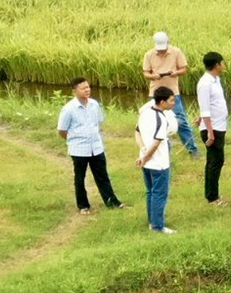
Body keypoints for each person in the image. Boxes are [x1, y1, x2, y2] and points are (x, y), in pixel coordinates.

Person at [57, 77, 123, 213]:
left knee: (102, 176)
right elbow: (62, 130)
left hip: (96, 147)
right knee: (80, 178)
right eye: (83, 88)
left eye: (88, 87)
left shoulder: (94, 104)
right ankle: (83, 206)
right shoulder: (69, 109)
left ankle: (111, 201)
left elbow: (98, 122)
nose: (87, 90)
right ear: (75, 91)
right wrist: (73, 140)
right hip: (79, 149)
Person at [142, 32, 199, 158]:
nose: (162, 51)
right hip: (155, 93)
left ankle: (192, 149)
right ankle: (160, 150)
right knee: (156, 122)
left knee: (181, 121)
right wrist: (153, 76)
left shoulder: (176, 52)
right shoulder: (149, 54)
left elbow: (184, 69)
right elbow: (146, 73)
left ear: (168, 42)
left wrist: (175, 72)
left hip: (173, 92)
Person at [136, 86, 179, 233]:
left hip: (146, 161)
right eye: (171, 101)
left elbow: (137, 133)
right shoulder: (161, 118)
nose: (173, 103)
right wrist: (147, 156)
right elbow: (156, 142)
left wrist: (142, 153)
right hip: (158, 164)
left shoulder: (145, 112)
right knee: (159, 194)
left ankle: (152, 221)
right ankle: (157, 226)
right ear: (162, 102)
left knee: (150, 192)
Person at [197, 52, 231, 205]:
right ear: (217, 65)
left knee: (217, 160)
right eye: (222, 63)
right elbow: (205, 107)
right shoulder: (205, 83)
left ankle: (212, 194)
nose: (223, 65)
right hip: (213, 128)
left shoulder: (216, 80)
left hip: (219, 125)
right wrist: (209, 131)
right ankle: (212, 197)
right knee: (215, 161)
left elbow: (212, 103)